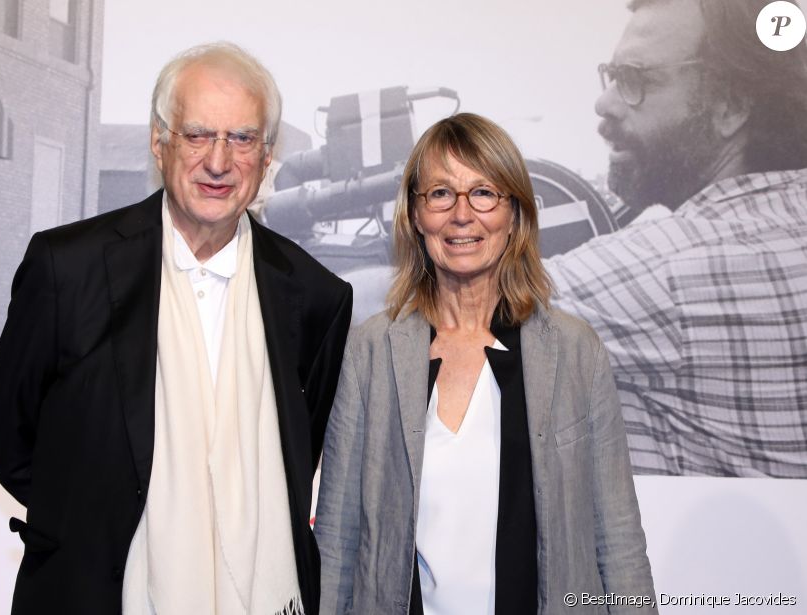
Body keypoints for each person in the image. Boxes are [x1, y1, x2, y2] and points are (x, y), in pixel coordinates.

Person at [0, 42, 352, 615]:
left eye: (242, 138)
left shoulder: (316, 296)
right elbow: (15, 443)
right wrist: (99, 532)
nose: (218, 161)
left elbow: (296, 459)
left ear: (268, 154)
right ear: (160, 143)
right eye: (198, 134)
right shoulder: (68, 268)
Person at [315, 113, 655, 615]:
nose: (461, 214)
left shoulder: (574, 351)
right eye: (440, 194)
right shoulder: (370, 351)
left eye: (483, 193)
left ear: (514, 213)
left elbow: (618, 538)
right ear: (414, 215)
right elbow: (337, 542)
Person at [545, 0, 807, 477]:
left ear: (730, 104)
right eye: (612, 76)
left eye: (636, 79)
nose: (604, 103)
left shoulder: (676, 271)